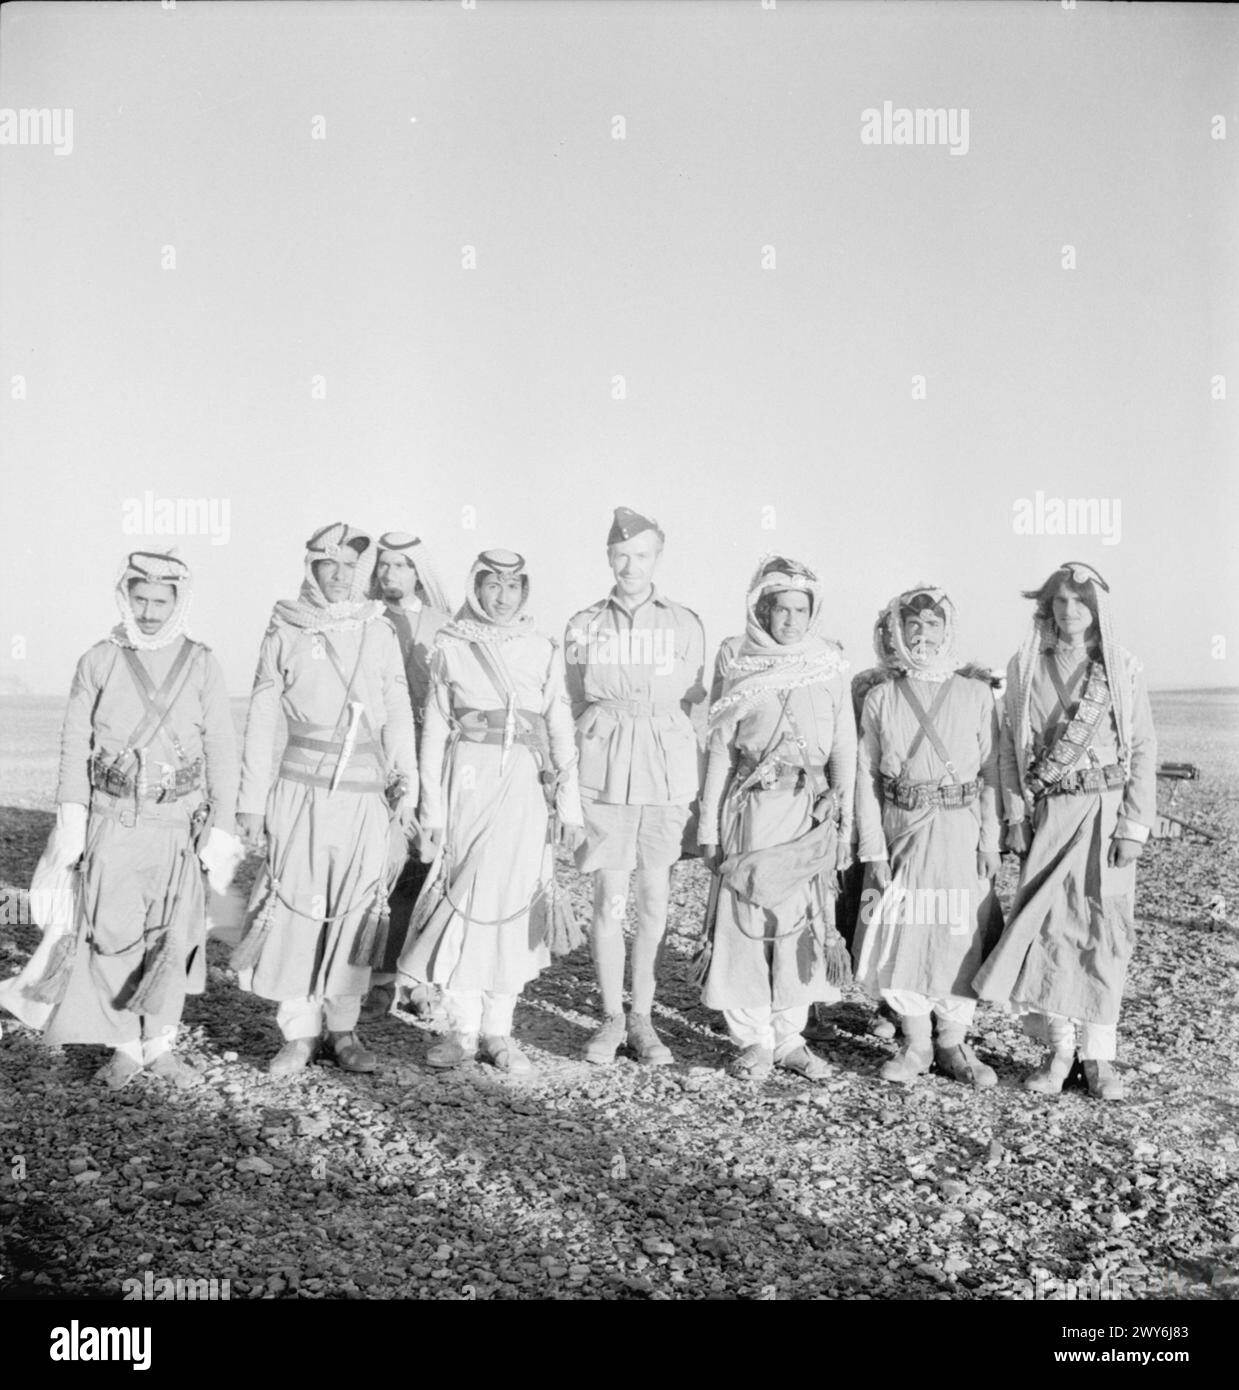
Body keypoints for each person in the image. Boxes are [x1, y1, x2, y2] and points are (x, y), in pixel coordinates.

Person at [7, 552, 239, 1090]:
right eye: (141, 599)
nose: (151, 612)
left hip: (178, 824)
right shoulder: (98, 660)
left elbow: (222, 748)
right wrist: (71, 819)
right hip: (112, 821)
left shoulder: (202, 663)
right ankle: (123, 1047)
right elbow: (73, 745)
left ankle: (160, 1045)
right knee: (111, 934)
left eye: (162, 602)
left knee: (169, 936)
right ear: (125, 597)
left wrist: (221, 824)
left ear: (179, 602)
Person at [231, 523, 418, 1076]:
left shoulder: (377, 631)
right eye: (327, 566)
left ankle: (343, 1028)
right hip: (299, 790)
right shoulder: (284, 628)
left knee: (358, 908)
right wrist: (252, 803)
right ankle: (297, 1032)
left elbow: (399, 710)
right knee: (294, 905)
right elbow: (262, 718)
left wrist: (406, 787)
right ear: (311, 569)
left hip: (364, 794)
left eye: (348, 568)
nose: (338, 578)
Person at [972, 562, 1156, 1102]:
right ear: (1046, 608)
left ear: (1097, 611)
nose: (1069, 611)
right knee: (1049, 931)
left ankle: (1098, 1058)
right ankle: (1059, 1052)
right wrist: (1014, 818)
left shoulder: (1120, 669)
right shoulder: (1025, 665)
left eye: (1080, 602)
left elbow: (1142, 750)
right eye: (1060, 601)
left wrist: (1134, 826)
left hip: (1105, 815)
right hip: (1050, 815)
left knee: (1103, 934)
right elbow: (1009, 751)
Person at [399, 550, 583, 1074]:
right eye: (492, 585)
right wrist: (431, 814)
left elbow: (561, 728)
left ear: (525, 591)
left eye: (512, 586)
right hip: (467, 783)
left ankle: (500, 1032)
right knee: (461, 897)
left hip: (524, 786)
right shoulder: (450, 646)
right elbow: (434, 733)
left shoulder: (541, 648)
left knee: (511, 901)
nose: (502, 598)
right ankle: (461, 1031)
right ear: (475, 587)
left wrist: (569, 809)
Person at [696, 557, 855, 1079]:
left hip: (807, 814)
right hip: (751, 810)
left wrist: (844, 811)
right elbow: (719, 748)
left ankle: (789, 1039)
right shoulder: (737, 656)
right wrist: (708, 828)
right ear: (761, 609)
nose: (790, 620)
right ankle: (753, 1040)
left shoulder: (829, 662)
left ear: (814, 612)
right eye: (780, 609)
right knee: (746, 922)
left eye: (800, 609)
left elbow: (844, 748)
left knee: (801, 921)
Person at [564, 507, 707, 1066]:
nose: (630, 565)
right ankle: (609, 1017)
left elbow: (693, 701)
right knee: (609, 897)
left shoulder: (685, 624)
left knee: (654, 897)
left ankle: (644, 1018)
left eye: (641, 555)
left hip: (665, 769)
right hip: (604, 766)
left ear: (657, 559)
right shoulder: (584, 624)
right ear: (608, 557)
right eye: (621, 555)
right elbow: (577, 698)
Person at [853, 585, 1003, 1088]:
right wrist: (872, 850)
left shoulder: (977, 694)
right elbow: (866, 779)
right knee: (907, 930)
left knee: (960, 931)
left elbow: (992, 772)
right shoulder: (880, 697)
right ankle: (916, 1042)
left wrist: (989, 840)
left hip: (961, 835)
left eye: (932, 625)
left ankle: (953, 1042)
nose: (922, 634)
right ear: (898, 631)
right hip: (902, 834)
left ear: (948, 631)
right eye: (913, 625)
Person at [360, 531, 451, 1024]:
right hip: (381, 756)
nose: (391, 575)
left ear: (419, 572)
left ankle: (419, 977)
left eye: (401, 566)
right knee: (384, 864)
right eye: (384, 566)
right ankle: (377, 976)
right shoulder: (364, 621)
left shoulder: (444, 624)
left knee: (429, 864)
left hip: (436, 755)